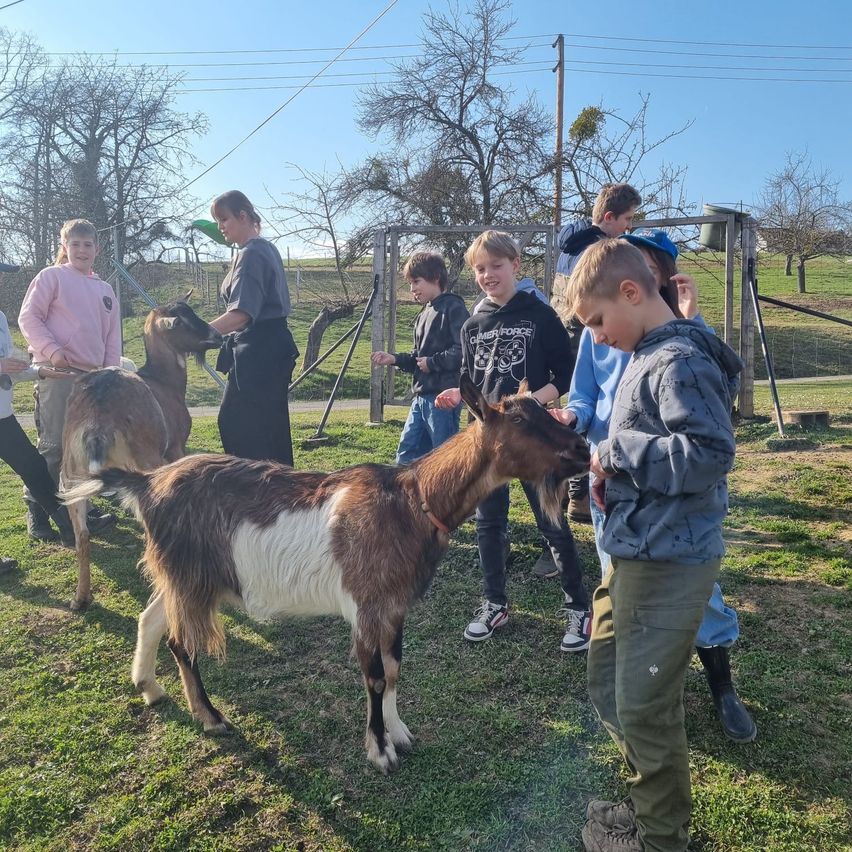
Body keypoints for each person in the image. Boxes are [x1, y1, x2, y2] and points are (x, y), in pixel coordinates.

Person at [565, 238, 743, 852]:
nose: (595, 336)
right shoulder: (646, 352)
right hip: (634, 550)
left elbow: (710, 454)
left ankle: (661, 838)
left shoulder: (676, 362)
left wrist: (615, 454)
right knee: (608, 677)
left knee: (643, 704)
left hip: (670, 559)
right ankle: (649, 799)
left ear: (632, 293)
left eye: (595, 320)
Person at [436, 230, 590, 651]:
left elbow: (566, 371)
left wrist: (534, 401)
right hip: (491, 447)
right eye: (480, 269)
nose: (488, 275)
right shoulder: (471, 325)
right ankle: (494, 603)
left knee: (552, 522)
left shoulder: (540, 316)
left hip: (534, 443)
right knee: (489, 524)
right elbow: (477, 381)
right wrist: (458, 394)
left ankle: (579, 609)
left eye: (496, 266)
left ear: (516, 265)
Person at [533, 183, 642, 579]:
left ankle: (577, 504)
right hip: (584, 338)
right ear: (609, 218)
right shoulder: (601, 253)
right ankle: (557, 537)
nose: (628, 230)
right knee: (569, 448)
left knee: (577, 436)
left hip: (572, 336)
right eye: (627, 220)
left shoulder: (568, 244)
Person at [17, 220, 119, 540]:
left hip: (93, 377)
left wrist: (111, 373)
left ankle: (79, 509)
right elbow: (28, 317)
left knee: (84, 446)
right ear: (64, 248)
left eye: (88, 245)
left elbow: (112, 337)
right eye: (74, 245)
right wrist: (53, 350)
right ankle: (39, 512)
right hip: (57, 372)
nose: (82, 250)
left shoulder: (105, 290)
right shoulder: (51, 277)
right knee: (54, 444)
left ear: (97, 250)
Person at [209, 190, 299, 465]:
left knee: (239, 425)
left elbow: (242, 314)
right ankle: (278, 497)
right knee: (268, 429)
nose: (220, 227)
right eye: (217, 221)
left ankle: (257, 497)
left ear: (243, 215)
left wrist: (199, 334)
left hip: (259, 351)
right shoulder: (264, 248)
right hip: (266, 349)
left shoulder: (252, 253)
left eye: (224, 219)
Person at [371, 252, 469, 463]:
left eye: (416, 282)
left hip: (443, 400)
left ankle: (445, 496)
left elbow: (463, 350)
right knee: (407, 453)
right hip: (420, 398)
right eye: (410, 283)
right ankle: (407, 496)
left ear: (435, 277)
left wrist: (432, 363)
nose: (412, 289)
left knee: (443, 459)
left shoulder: (453, 307)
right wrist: (394, 359)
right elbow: (418, 357)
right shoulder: (424, 313)